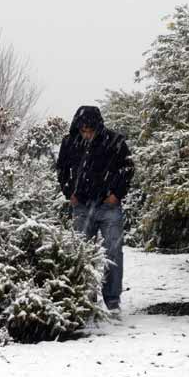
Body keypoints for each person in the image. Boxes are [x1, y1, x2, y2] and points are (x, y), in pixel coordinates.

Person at [56, 105, 134, 315]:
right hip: (81, 206)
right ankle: (85, 299)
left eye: (91, 130)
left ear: (98, 127)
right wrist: (69, 192)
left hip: (109, 206)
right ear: (78, 127)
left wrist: (116, 194)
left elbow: (127, 168)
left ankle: (112, 301)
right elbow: (61, 169)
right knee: (81, 255)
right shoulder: (69, 142)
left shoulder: (115, 141)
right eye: (84, 130)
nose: (87, 134)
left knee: (113, 253)